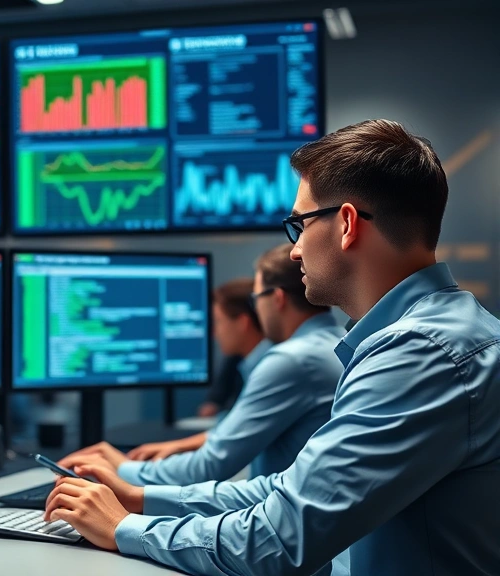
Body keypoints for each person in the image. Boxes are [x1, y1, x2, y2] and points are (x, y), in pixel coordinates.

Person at [42, 119, 500, 575]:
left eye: (299, 225)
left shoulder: (418, 353)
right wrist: (144, 498)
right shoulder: (435, 335)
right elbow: (292, 490)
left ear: (346, 223)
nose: (295, 250)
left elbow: (278, 540)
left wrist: (125, 528)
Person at [61, 245, 343, 488]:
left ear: (277, 298)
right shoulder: (335, 342)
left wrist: (119, 468)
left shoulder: (293, 359)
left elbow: (210, 467)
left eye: (257, 299)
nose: (256, 310)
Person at [67, 278, 271, 464]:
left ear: (243, 322)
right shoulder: (253, 365)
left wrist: (123, 468)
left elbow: (214, 462)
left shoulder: (274, 367)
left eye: (217, 321)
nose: (213, 332)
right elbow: (235, 426)